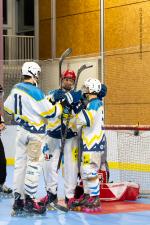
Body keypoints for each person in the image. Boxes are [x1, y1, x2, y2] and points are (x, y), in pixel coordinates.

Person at [4, 62, 63, 214]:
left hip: (20, 133)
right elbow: (49, 113)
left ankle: (18, 200)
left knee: (19, 166)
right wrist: (59, 106)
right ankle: (30, 201)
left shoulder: (16, 88)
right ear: (34, 73)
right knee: (34, 166)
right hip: (35, 136)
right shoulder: (36, 92)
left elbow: (7, 108)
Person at [41, 69, 80, 207]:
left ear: (74, 82)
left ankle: (70, 196)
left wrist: (76, 104)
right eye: (66, 79)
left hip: (70, 137)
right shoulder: (52, 93)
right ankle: (51, 194)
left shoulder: (77, 96)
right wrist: (53, 100)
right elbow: (45, 111)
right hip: (53, 136)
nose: (68, 82)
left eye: (71, 80)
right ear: (61, 80)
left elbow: (81, 114)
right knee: (49, 166)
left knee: (71, 167)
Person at [68, 78, 107, 213]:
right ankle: (87, 195)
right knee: (85, 170)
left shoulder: (95, 103)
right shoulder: (93, 103)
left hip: (93, 144)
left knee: (90, 170)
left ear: (91, 89)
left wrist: (77, 107)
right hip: (89, 144)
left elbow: (86, 119)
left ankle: (95, 197)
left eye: (86, 87)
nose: (84, 90)